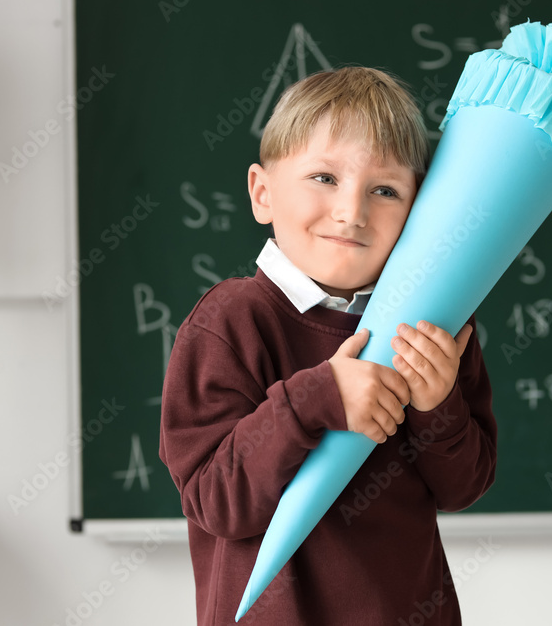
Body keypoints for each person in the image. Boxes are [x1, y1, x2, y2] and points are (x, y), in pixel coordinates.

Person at [160, 66, 498, 626]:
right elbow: (215, 500)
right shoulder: (230, 321)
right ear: (262, 193)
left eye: (385, 190)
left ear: (418, 213)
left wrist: (438, 404)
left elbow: (465, 485)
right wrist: (316, 398)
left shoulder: (435, 326)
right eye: (323, 178)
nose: (352, 211)